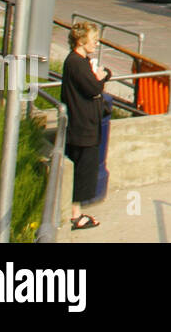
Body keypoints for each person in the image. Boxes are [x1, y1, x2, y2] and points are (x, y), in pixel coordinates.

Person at [61, 20, 112, 228]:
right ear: (81, 41)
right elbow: (93, 88)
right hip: (83, 126)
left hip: (82, 123)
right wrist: (102, 77)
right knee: (83, 171)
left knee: (83, 169)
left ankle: (76, 213)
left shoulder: (78, 61)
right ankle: (76, 216)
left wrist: (99, 78)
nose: (96, 44)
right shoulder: (76, 62)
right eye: (93, 40)